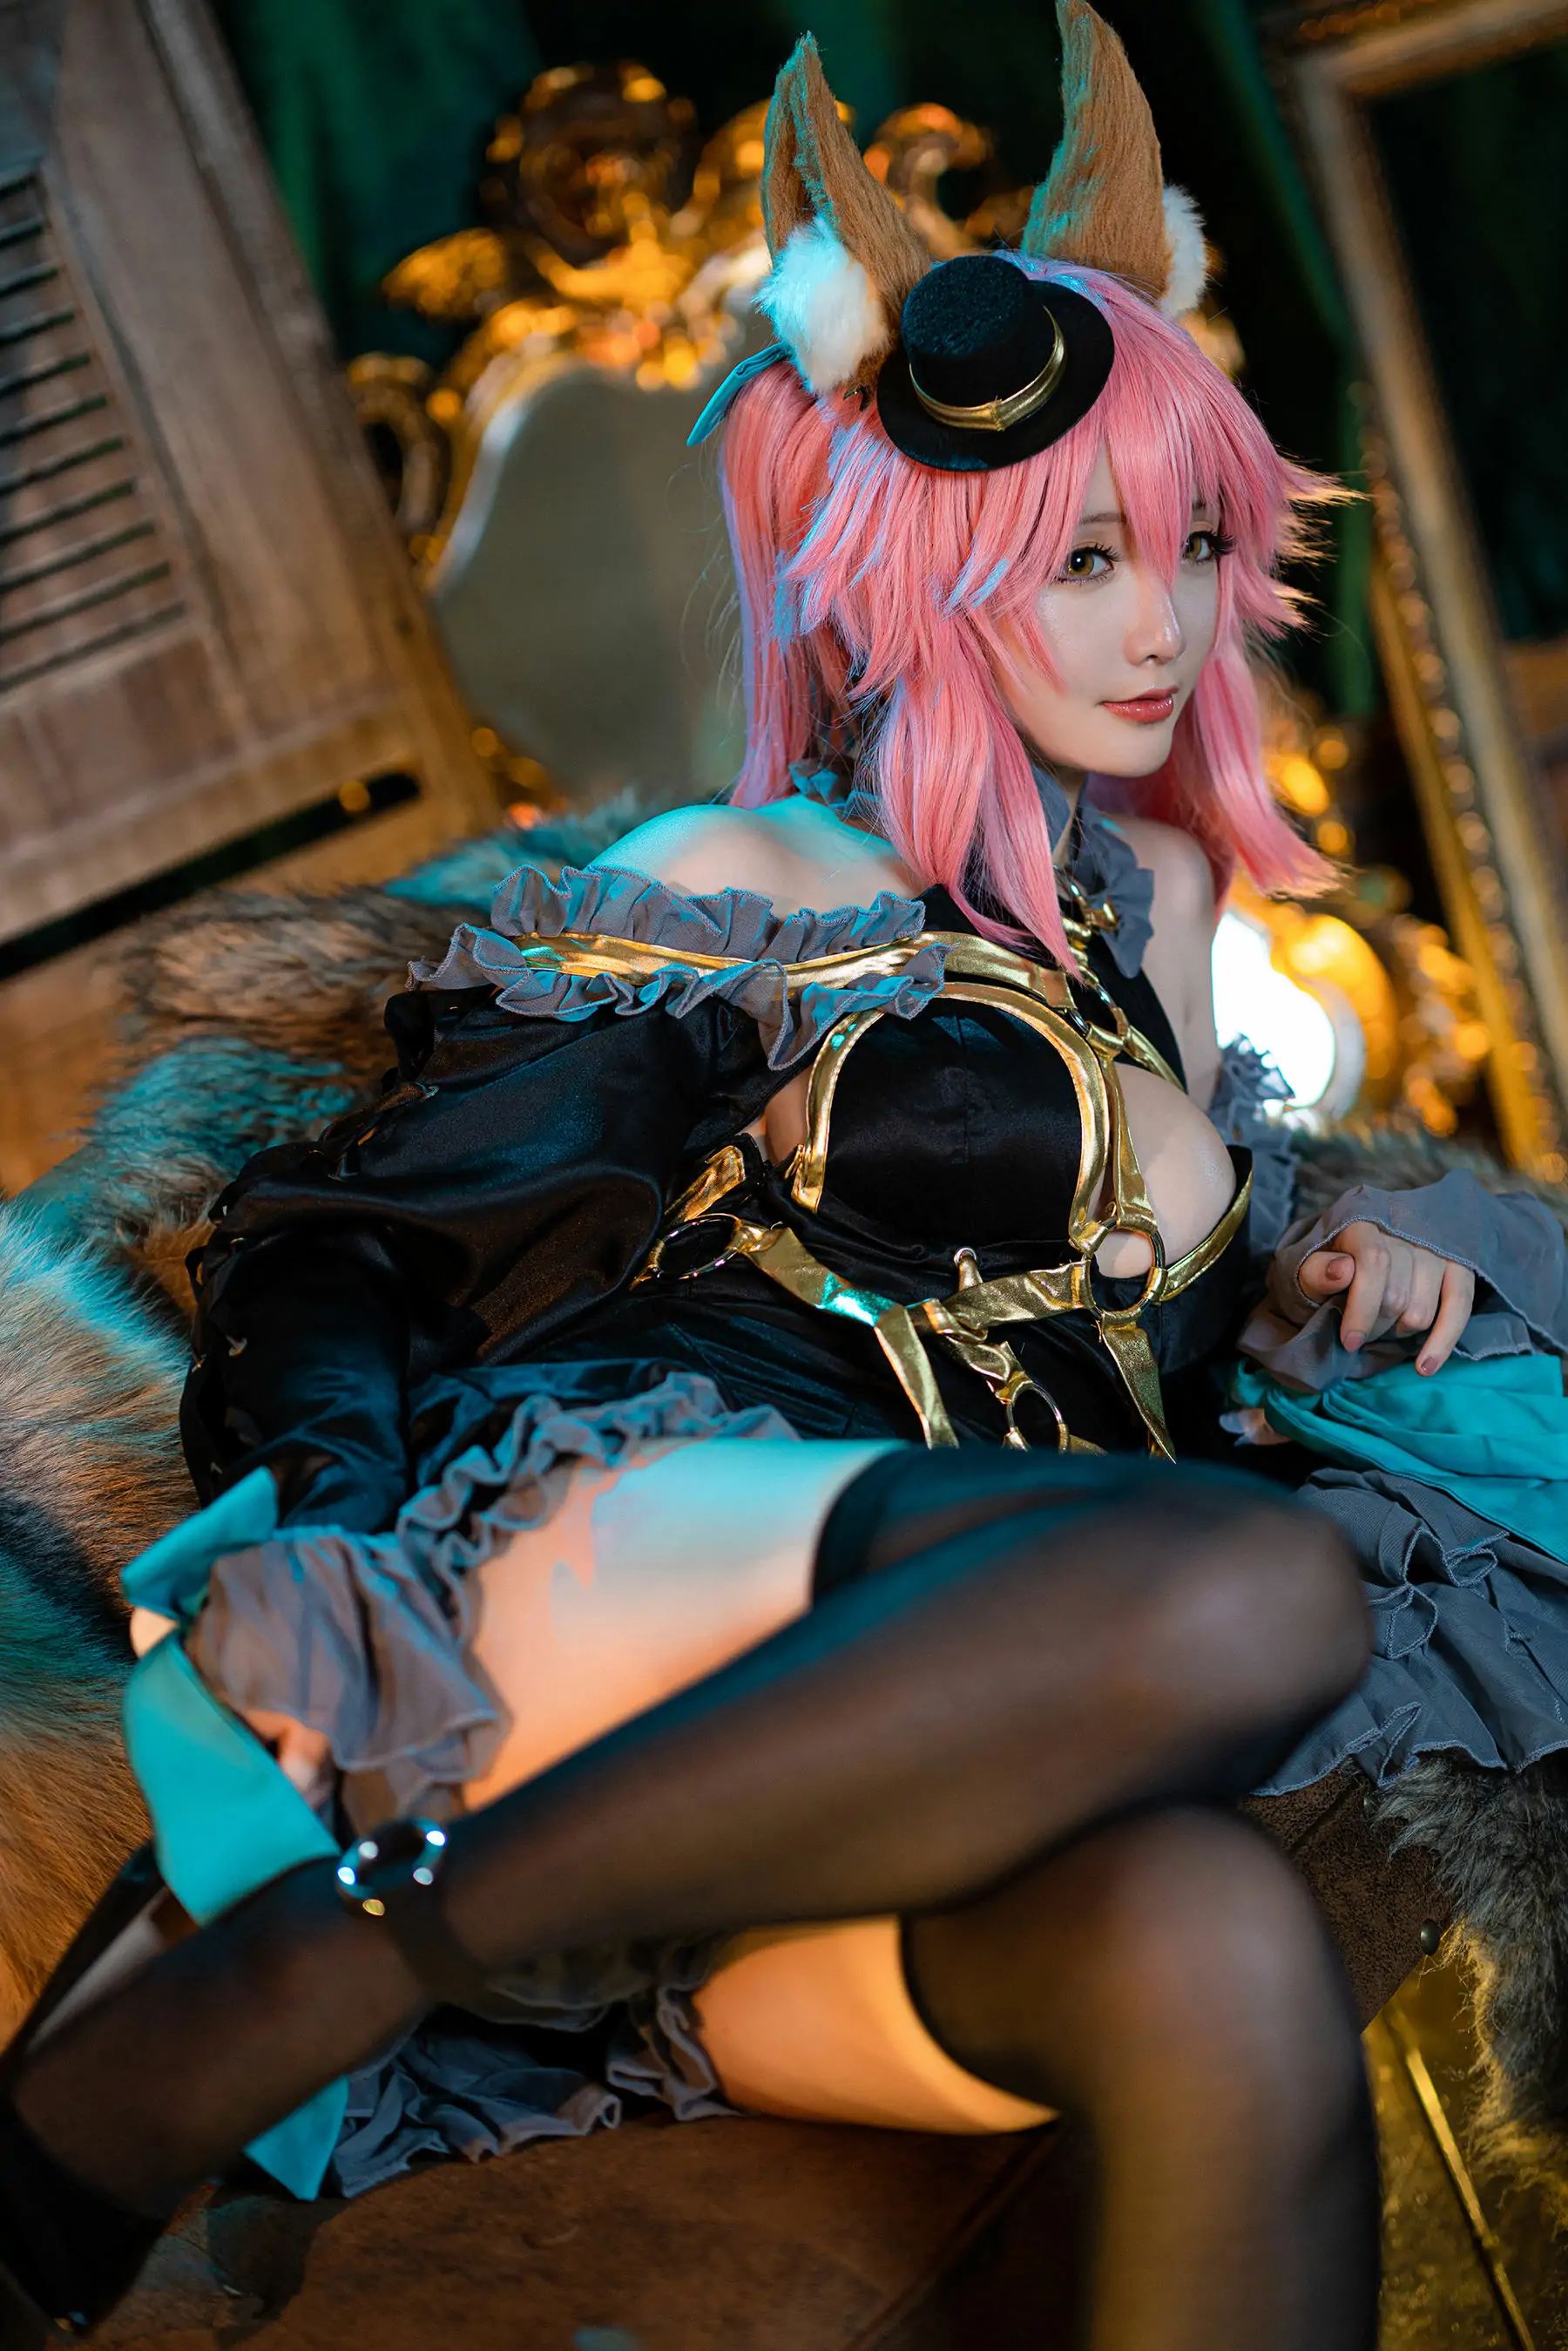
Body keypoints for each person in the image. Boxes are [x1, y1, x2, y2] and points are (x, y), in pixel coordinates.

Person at [4, 4, 1566, 2343]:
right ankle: (308, 1972)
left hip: (880, 1763)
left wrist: (1304, 1267)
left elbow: (1135, 1311)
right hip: (642, 1578)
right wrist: (334, 1559)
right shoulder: (748, 872)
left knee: (1212, 1944)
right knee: (1257, 1597)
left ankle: (396, 1949)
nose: (1161, 622)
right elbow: (364, 1237)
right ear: (928, 570)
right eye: (1082, 559)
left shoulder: (1152, 915)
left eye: (1192, 546)